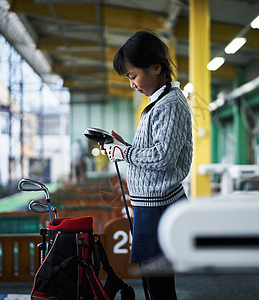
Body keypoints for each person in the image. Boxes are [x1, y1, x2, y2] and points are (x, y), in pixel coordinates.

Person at [99, 31, 193, 299]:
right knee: (152, 281)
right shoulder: (157, 103)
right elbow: (153, 151)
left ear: (156, 67)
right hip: (150, 205)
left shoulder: (171, 104)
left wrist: (125, 152)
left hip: (160, 206)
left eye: (133, 76)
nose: (132, 84)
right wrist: (124, 147)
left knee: (159, 284)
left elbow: (163, 157)